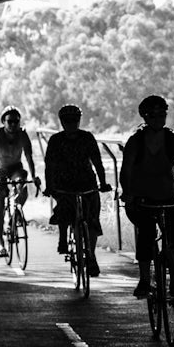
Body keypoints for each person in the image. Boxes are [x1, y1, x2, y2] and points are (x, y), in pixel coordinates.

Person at [120, 94, 174, 300]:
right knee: (146, 235)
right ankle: (145, 279)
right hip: (141, 200)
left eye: (162, 114)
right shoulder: (135, 142)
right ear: (145, 118)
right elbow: (126, 170)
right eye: (153, 115)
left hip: (167, 198)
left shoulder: (173, 140)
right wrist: (128, 194)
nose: (158, 119)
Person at [43, 104, 112, 277]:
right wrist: (49, 186)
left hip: (87, 182)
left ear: (79, 121)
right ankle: (62, 238)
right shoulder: (55, 140)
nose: (71, 124)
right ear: (62, 122)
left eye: (74, 120)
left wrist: (103, 183)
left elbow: (97, 162)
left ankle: (91, 256)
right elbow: (49, 166)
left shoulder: (87, 138)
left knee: (92, 219)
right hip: (63, 184)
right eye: (67, 121)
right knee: (64, 208)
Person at [0, 107, 40, 257]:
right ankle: (0, 243)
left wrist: (34, 176)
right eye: (9, 122)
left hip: (16, 168)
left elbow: (29, 157)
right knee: (0, 199)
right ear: (3, 122)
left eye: (16, 122)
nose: (13, 125)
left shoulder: (22, 135)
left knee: (22, 186)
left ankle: (15, 216)